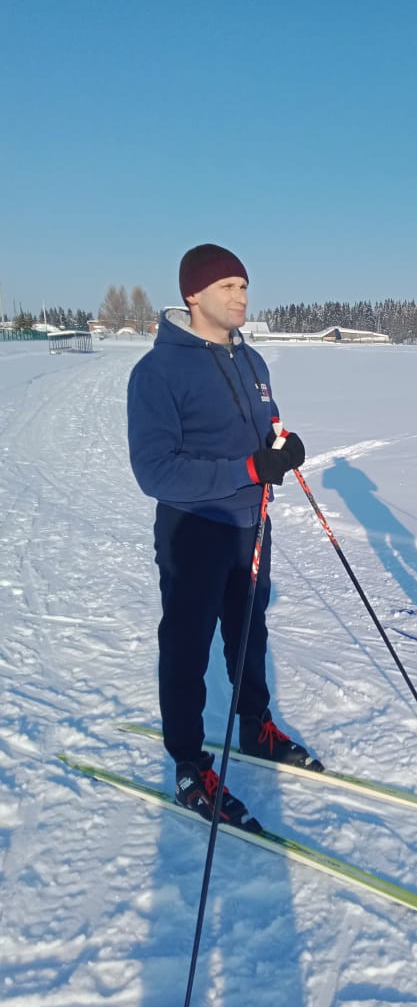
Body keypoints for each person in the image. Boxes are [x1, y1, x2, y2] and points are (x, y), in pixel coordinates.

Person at [127, 243, 317, 827]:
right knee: (186, 646)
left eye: (244, 286)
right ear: (194, 294)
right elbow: (154, 471)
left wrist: (283, 447)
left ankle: (255, 727)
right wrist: (249, 470)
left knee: (248, 632)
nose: (241, 296)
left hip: (250, 523)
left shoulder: (251, 360)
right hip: (194, 528)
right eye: (228, 286)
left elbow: (268, 422)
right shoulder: (157, 371)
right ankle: (189, 763)